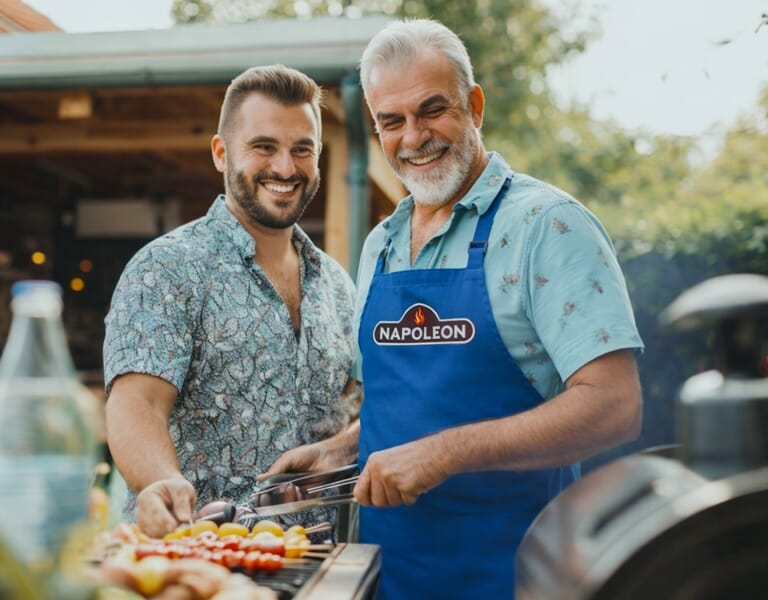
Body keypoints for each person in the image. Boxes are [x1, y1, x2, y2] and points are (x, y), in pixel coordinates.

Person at [261, 18, 644, 600]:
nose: (413, 137)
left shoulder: (548, 226)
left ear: (475, 106)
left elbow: (615, 406)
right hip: (390, 579)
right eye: (392, 121)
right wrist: (340, 450)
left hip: (519, 577)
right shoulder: (380, 244)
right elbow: (409, 409)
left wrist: (446, 454)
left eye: (432, 109)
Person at [103, 64, 361, 538]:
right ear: (222, 154)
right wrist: (160, 481)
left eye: (302, 150)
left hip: (318, 566)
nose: (285, 168)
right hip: (196, 559)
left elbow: (355, 407)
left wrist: (344, 446)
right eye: (264, 147)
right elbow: (137, 403)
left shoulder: (338, 286)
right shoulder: (166, 267)